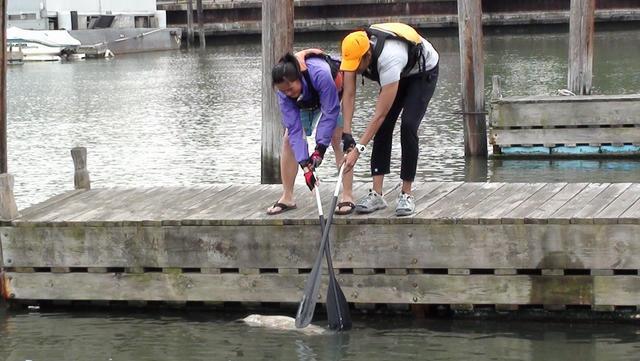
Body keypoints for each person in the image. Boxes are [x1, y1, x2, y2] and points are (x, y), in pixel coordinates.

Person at [339, 23, 439, 216]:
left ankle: (406, 194)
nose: (354, 70)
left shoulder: (389, 58)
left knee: (408, 125)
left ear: (367, 56)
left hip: (421, 73)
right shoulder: (353, 52)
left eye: (357, 66)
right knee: (383, 128)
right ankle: (377, 194)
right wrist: (347, 134)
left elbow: (379, 115)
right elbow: (349, 94)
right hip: (397, 73)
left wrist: (358, 151)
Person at [267, 49, 356, 215]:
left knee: (337, 138)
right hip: (306, 101)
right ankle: (287, 197)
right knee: (288, 139)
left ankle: (347, 195)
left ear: (299, 78)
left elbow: (330, 112)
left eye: (290, 89)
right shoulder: (285, 93)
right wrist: (305, 166)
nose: (287, 93)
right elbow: (294, 128)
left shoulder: (320, 74)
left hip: (333, 92)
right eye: (283, 91)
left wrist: (319, 150)